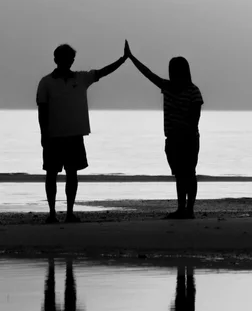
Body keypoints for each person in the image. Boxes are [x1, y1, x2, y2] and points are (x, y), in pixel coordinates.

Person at [36, 42, 129, 224]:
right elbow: (42, 110)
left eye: (69, 58)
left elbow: (102, 72)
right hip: (53, 136)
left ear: (72, 60)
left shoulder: (81, 78)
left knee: (72, 174)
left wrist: (123, 59)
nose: (67, 61)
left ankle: (70, 212)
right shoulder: (46, 82)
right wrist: (43, 134)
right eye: (63, 58)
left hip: (74, 135)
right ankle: (52, 213)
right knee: (51, 174)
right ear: (56, 60)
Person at [126, 41, 203, 219]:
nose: (172, 74)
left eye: (175, 71)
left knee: (189, 173)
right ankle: (181, 208)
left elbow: (195, 117)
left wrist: (185, 132)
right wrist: (131, 58)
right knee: (180, 174)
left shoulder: (193, 91)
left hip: (188, 138)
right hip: (173, 139)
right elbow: (147, 73)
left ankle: (189, 209)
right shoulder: (167, 87)